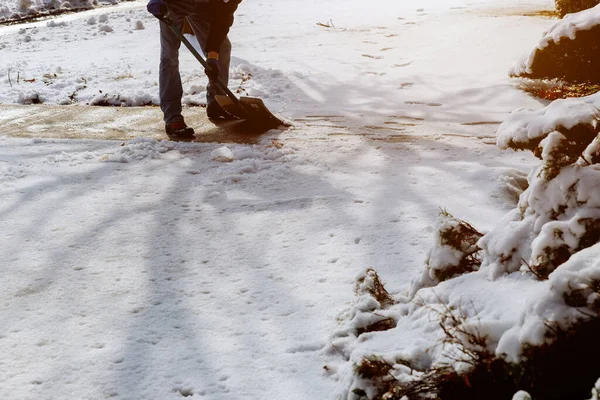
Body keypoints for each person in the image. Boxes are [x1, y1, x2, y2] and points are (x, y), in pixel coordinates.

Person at [147, 0, 241, 138]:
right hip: (174, 4)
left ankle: (217, 102)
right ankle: (172, 117)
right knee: (169, 56)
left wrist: (213, 57)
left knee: (223, 49)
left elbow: (222, 22)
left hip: (205, 7)